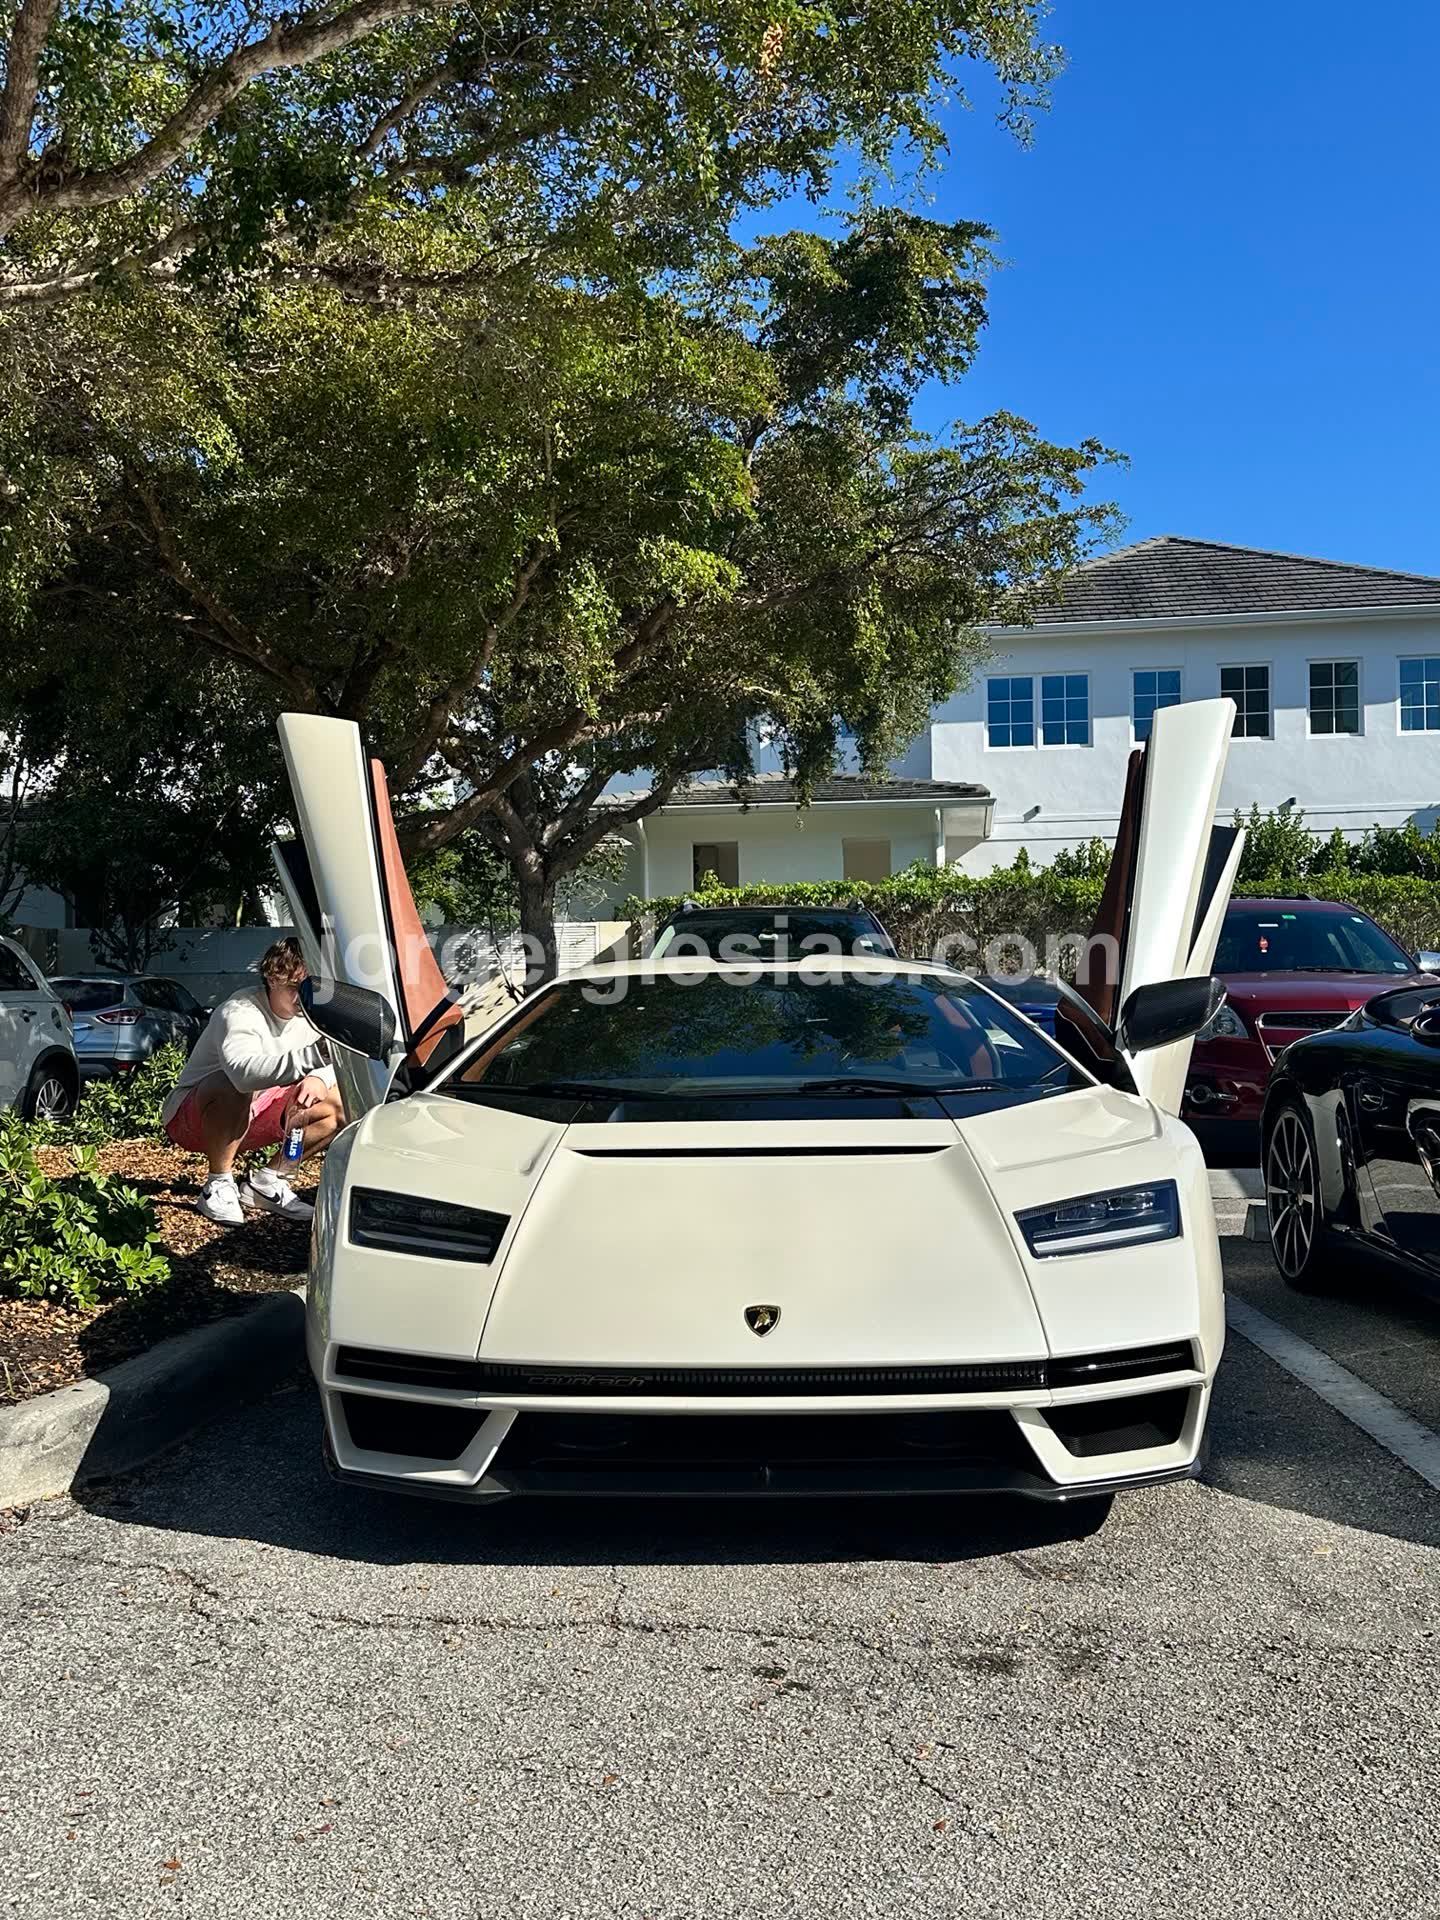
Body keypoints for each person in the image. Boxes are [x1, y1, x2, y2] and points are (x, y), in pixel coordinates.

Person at [161, 937, 345, 1225]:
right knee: (227, 1084)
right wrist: (314, 1059)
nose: (302, 998)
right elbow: (241, 1074)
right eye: (295, 988)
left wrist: (320, 1077)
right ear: (272, 978)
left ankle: (268, 1182)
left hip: (254, 1115)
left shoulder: (312, 1016)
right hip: (194, 1121)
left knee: (336, 1104)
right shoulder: (238, 1011)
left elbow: (339, 1061)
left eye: (311, 989)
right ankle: (218, 1185)